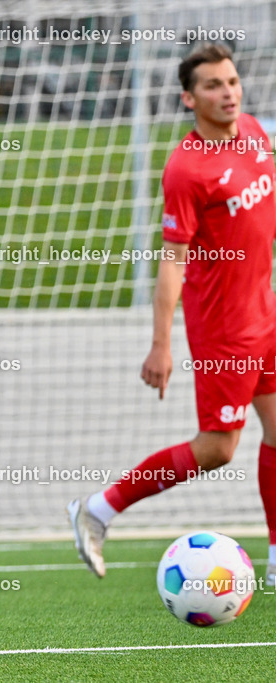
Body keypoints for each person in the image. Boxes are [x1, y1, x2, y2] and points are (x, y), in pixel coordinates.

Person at [69, 43, 276, 587]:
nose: (227, 92)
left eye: (231, 81)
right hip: (225, 330)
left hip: (265, 310)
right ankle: (99, 507)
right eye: (213, 85)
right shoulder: (186, 170)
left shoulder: (254, 130)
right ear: (190, 98)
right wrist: (161, 343)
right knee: (218, 449)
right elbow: (171, 261)